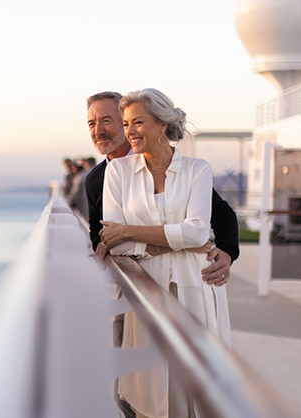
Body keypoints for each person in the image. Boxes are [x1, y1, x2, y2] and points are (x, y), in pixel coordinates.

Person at [99, 89, 231, 418]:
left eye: (138, 122)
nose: (129, 131)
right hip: (145, 291)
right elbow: (115, 242)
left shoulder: (197, 169)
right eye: (126, 123)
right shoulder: (118, 172)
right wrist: (175, 240)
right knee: (149, 389)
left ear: (161, 124)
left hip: (194, 285)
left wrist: (130, 231)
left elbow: (198, 231)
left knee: (194, 388)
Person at [84, 91, 239, 285]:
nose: (98, 130)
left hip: (192, 279)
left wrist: (227, 252)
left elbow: (219, 216)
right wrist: (181, 245)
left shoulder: (190, 169)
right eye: (92, 123)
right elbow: (105, 238)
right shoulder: (96, 179)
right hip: (134, 283)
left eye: (106, 120)